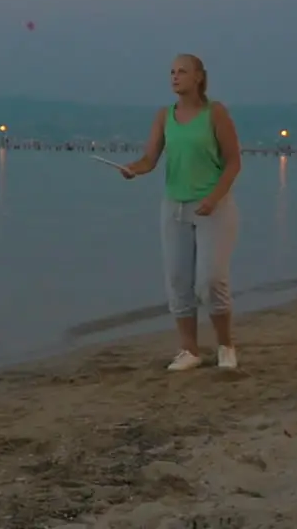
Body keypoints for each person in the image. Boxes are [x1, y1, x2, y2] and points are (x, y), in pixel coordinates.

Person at [120, 54, 242, 371]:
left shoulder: (215, 113)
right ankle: (189, 350)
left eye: (182, 71)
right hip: (174, 208)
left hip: (213, 208)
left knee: (211, 279)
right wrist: (133, 169)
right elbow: (150, 159)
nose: (175, 77)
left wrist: (214, 198)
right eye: (172, 72)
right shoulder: (164, 116)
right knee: (178, 280)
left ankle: (226, 346)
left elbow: (233, 162)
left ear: (199, 76)